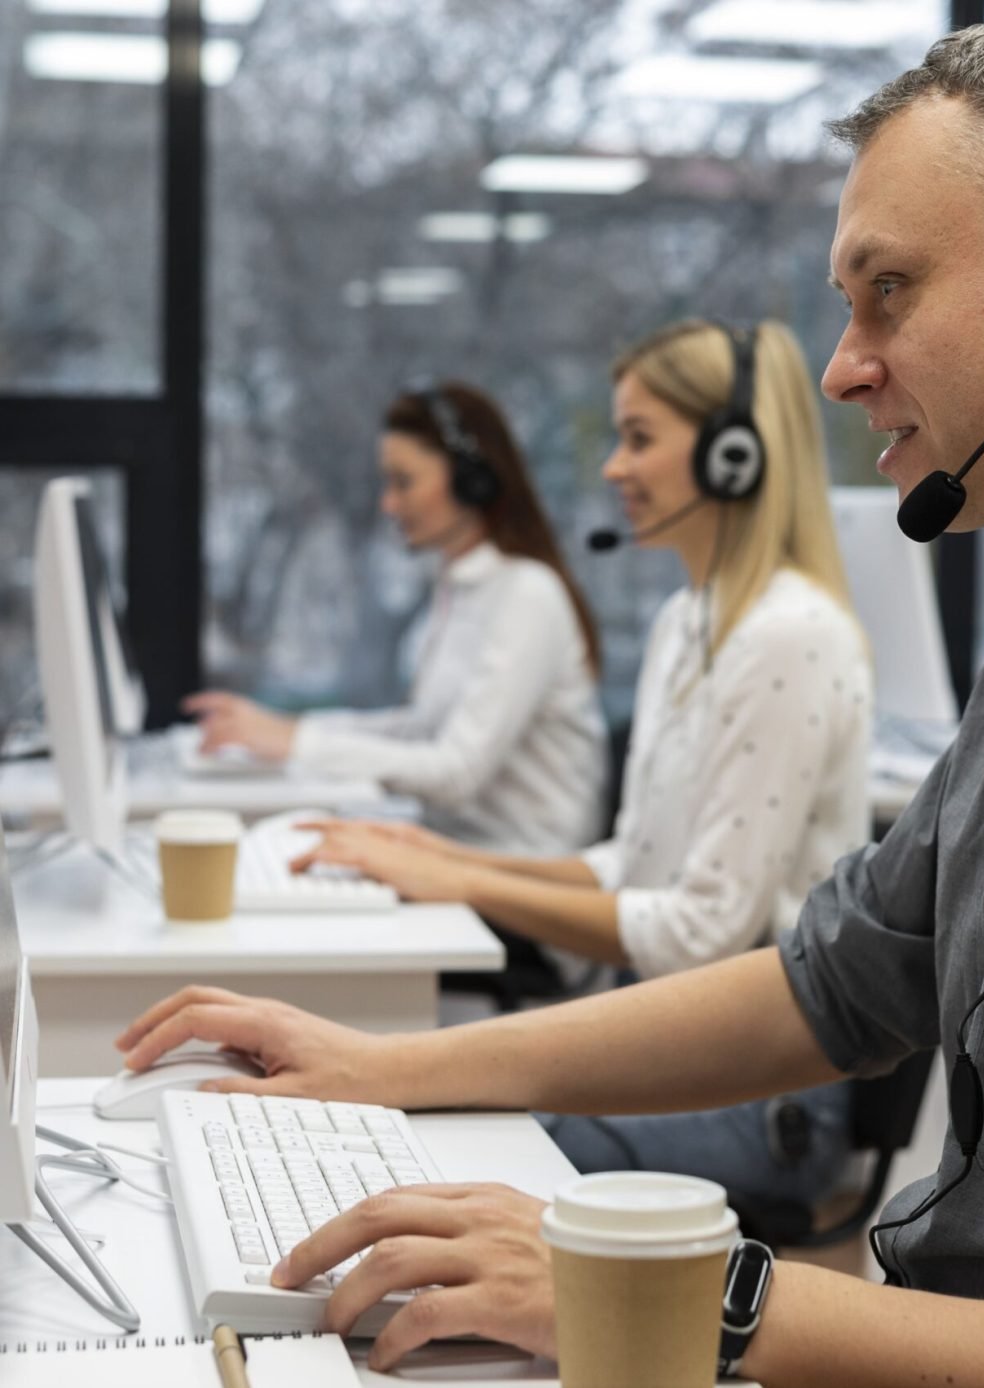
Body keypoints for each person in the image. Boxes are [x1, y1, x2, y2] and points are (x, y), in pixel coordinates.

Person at [116, 20, 984, 1385]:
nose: (841, 366)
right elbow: (828, 987)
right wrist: (383, 1067)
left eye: (889, 289)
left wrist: (704, 1299)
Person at [283, 317, 872, 1209]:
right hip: (672, 1040)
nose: (612, 468)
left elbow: (702, 932)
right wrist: (445, 859)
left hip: (765, 1094)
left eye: (638, 438)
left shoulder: (789, 635)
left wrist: (465, 883)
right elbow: (629, 861)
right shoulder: (687, 623)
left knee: (447, 1134)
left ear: (734, 457)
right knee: (427, 1110)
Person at [185, 383, 607, 855]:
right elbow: (421, 729)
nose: (388, 504)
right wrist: (283, 731)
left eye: (403, 482)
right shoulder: (461, 587)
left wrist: (298, 743)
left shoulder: (527, 594)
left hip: (521, 869)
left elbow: (457, 773)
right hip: (455, 850)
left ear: (473, 482)